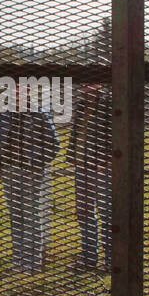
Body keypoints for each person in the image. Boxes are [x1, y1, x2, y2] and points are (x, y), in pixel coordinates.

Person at [0, 85, 59, 274]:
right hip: (10, 172)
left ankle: (32, 264)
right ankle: (18, 261)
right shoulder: (4, 114)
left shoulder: (39, 113)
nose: (16, 93)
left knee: (31, 217)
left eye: (20, 90)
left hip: (31, 173)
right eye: (14, 90)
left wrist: (36, 164)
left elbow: (53, 144)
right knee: (16, 217)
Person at [67, 81, 112, 272]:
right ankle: (89, 258)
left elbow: (115, 131)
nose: (84, 85)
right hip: (82, 164)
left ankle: (111, 261)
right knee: (84, 212)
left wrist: (109, 158)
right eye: (83, 81)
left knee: (106, 213)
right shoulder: (82, 103)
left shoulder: (110, 103)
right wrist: (72, 155)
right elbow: (76, 131)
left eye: (89, 81)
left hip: (103, 165)